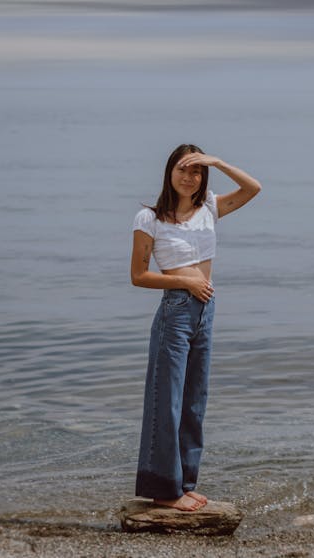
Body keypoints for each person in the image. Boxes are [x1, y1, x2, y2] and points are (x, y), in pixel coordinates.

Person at [130, 143, 261, 511]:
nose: (189, 177)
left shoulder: (210, 209)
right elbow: (138, 276)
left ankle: (184, 483)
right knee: (166, 402)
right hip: (176, 310)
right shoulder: (150, 218)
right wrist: (186, 283)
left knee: (194, 402)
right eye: (182, 170)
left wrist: (217, 161)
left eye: (197, 171)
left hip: (205, 311)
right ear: (169, 174)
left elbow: (254, 188)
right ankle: (163, 490)